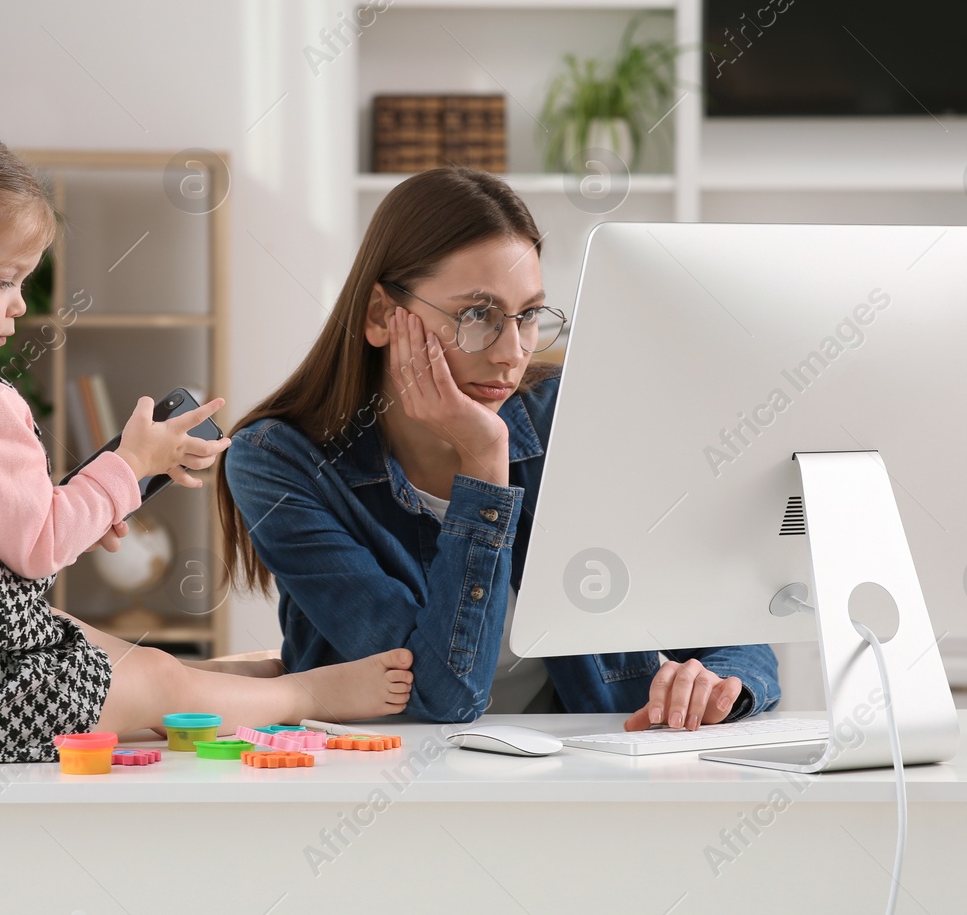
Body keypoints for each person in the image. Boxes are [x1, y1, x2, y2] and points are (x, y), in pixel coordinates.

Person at [0, 116, 411, 763]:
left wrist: (95, 501)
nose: (19, 304)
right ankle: (309, 693)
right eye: (4, 279)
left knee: (114, 652)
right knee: (158, 679)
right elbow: (39, 548)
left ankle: (240, 684)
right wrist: (128, 465)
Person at [219, 167, 779, 728]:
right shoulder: (278, 462)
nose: (512, 352)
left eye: (529, 315)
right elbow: (440, 696)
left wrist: (715, 682)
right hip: (391, 774)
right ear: (382, 316)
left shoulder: (575, 415)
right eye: (476, 315)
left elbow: (737, 636)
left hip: (588, 769)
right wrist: (485, 469)